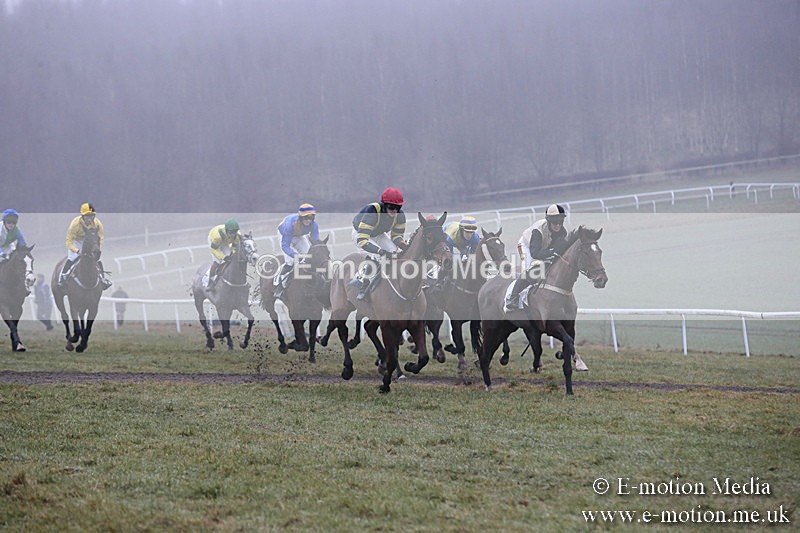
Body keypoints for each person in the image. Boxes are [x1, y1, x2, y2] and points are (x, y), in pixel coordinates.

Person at [505, 204, 569, 312]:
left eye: (560, 222)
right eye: (555, 222)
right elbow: (535, 253)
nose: (558, 225)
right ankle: (512, 297)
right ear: (549, 220)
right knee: (530, 270)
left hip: (544, 247)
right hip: (527, 246)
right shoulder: (537, 231)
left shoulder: (562, 232)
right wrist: (551, 252)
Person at [350, 187, 407, 301]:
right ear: (384, 204)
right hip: (360, 234)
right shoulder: (373, 211)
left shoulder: (400, 216)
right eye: (391, 207)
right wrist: (379, 251)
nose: (394, 210)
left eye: (398, 207)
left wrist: (402, 244)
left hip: (378, 234)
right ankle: (364, 284)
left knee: (396, 253)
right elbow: (362, 241)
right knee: (378, 256)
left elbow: (396, 237)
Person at [57, 202, 112, 289]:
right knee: (72, 258)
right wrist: (77, 251)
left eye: (91, 216)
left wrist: (97, 249)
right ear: (82, 216)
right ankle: (63, 277)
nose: (90, 218)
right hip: (76, 241)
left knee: (98, 259)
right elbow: (69, 242)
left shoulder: (97, 224)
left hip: (91, 241)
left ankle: (103, 279)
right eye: (87, 216)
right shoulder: (75, 225)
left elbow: (100, 238)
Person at [274, 203, 320, 299]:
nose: (308, 220)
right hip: (285, 235)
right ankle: (279, 285)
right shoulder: (289, 225)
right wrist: (295, 255)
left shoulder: (314, 225)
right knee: (290, 261)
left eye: (311, 217)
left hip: (299, 235)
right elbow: (285, 246)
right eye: (305, 217)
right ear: (300, 218)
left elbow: (315, 242)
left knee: (310, 258)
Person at [207, 218, 242, 289]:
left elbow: (234, 247)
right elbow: (214, 249)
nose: (233, 235)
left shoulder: (237, 236)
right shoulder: (217, 237)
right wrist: (223, 257)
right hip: (214, 242)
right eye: (231, 232)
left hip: (225, 241)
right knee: (218, 261)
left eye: (234, 232)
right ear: (226, 231)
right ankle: (210, 281)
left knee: (230, 258)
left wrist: (232, 254)